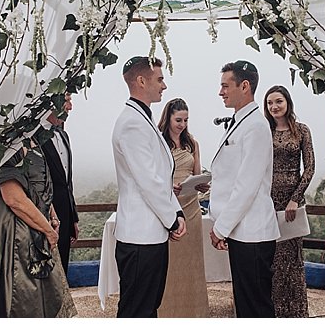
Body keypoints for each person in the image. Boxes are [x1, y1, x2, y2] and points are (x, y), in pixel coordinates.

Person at [0, 142, 76, 317]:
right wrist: (48, 230)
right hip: (10, 229)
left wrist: (51, 213)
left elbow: (39, 185)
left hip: (36, 222)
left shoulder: (35, 140)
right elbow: (13, 198)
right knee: (15, 294)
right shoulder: (7, 142)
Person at [111, 56, 187, 318]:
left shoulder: (142, 119)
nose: (164, 86)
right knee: (136, 311)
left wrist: (177, 212)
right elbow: (148, 182)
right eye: (160, 79)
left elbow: (161, 177)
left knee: (148, 308)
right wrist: (172, 220)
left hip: (150, 235)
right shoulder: (132, 123)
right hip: (140, 237)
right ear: (141, 81)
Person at [209, 60, 280, 318]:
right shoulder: (241, 121)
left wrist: (220, 228)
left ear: (245, 86)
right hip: (242, 231)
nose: (221, 92)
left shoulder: (257, 126)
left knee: (256, 308)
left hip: (253, 233)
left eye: (225, 85)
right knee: (246, 305)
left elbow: (247, 186)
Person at [263, 85, 315, 317]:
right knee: (269, 257)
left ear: (288, 103)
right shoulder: (264, 130)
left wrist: (295, 199)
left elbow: (310, 167)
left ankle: (294, 313)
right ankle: (271, 312)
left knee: (292, 260)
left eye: (278, 101)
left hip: (291, 204)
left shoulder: (302, 130)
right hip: (267, 201)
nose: (274, 106)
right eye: (270, 103)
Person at [156, 98, 211, 317]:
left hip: (192, 208)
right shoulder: (159, 143)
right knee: (169, 265)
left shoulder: (192, 144)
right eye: (178, 120)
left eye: (186, 120)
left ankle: (194, 313)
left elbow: (196, 173)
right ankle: (168, 312)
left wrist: (201, 183)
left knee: (192, 264)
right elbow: (155, 178)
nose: (182, 124)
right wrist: (170, 187)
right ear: (168, 118)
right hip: (169, 208)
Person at [38, 92, 79, 276]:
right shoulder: (34, 138)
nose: (70, 107)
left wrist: (73, 218)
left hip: (65, 216)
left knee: (63, 269)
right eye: (67, 102)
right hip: (43, 217)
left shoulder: (64, 135)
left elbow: (67, 183)